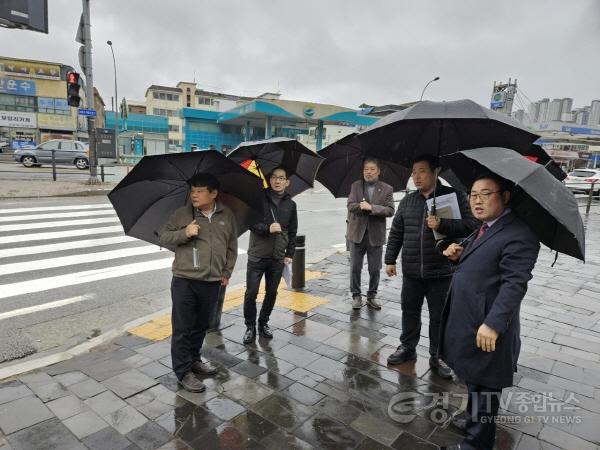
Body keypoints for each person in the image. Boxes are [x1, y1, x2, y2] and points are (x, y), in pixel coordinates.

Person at [439, 175, 540, 450]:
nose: (477, 201)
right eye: (473, 195)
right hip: (471, 323)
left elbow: (514, 284)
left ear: (505, 196)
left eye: (486, 194)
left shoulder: (519, 233)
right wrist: (458, 255)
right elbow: (481, 265)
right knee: (476, 384)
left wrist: (493, 324)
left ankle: (475, 444)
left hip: (488, 330)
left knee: (485, 392)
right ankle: (473, 422)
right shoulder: (484, 228)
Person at [385, 154, 478, 379]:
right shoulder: (408, 200)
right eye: (413, 172)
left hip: (442, 270)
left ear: (435, 171)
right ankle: (407, 347)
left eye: (422, 171)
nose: (416, 177)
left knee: (439, 315)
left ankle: (438, 355)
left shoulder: (453, 196)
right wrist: (390, 259)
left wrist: (442, 223)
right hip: (412, 270)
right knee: (409, 311)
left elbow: (472, 225)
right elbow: (397, 230)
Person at [159, 173, 238, 393]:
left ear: (213, 193)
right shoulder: (182, 214)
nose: (194, 195)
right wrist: (185, 232)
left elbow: (231, 246)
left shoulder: (227, 215)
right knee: (183, 328)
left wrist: (226, 270)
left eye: (200, 191)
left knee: (202, 325)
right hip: (185, 280)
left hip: (212, 281)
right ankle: (183, 372)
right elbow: (164, 237)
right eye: (192, 191)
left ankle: (194, 359)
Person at [243, 166, 298, 344]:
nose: (277, 181)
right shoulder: (259, 199)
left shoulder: (291, 204)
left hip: (277, 257)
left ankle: (263, 323)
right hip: (257, 255)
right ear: (269, 180)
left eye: (281, 178)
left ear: (287, 182)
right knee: (251, 293)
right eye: (274, 177)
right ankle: (250, 326)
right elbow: (249, 222)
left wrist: (290, 253)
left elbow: (292, 230)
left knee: (272, 293)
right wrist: (267, 228)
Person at [346, 158, 395, 309]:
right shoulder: (356, 186)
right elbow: (350, 205)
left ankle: (371, 296)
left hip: (375, 236)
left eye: (372, 169)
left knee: (374, 269)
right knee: (355, 268)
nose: (368, 172)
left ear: (378, 171)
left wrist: (372, 208)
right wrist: (361, 206)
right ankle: (356, 296)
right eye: (366, 169)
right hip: (357, 234)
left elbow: (390, 210)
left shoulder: (387, 189)